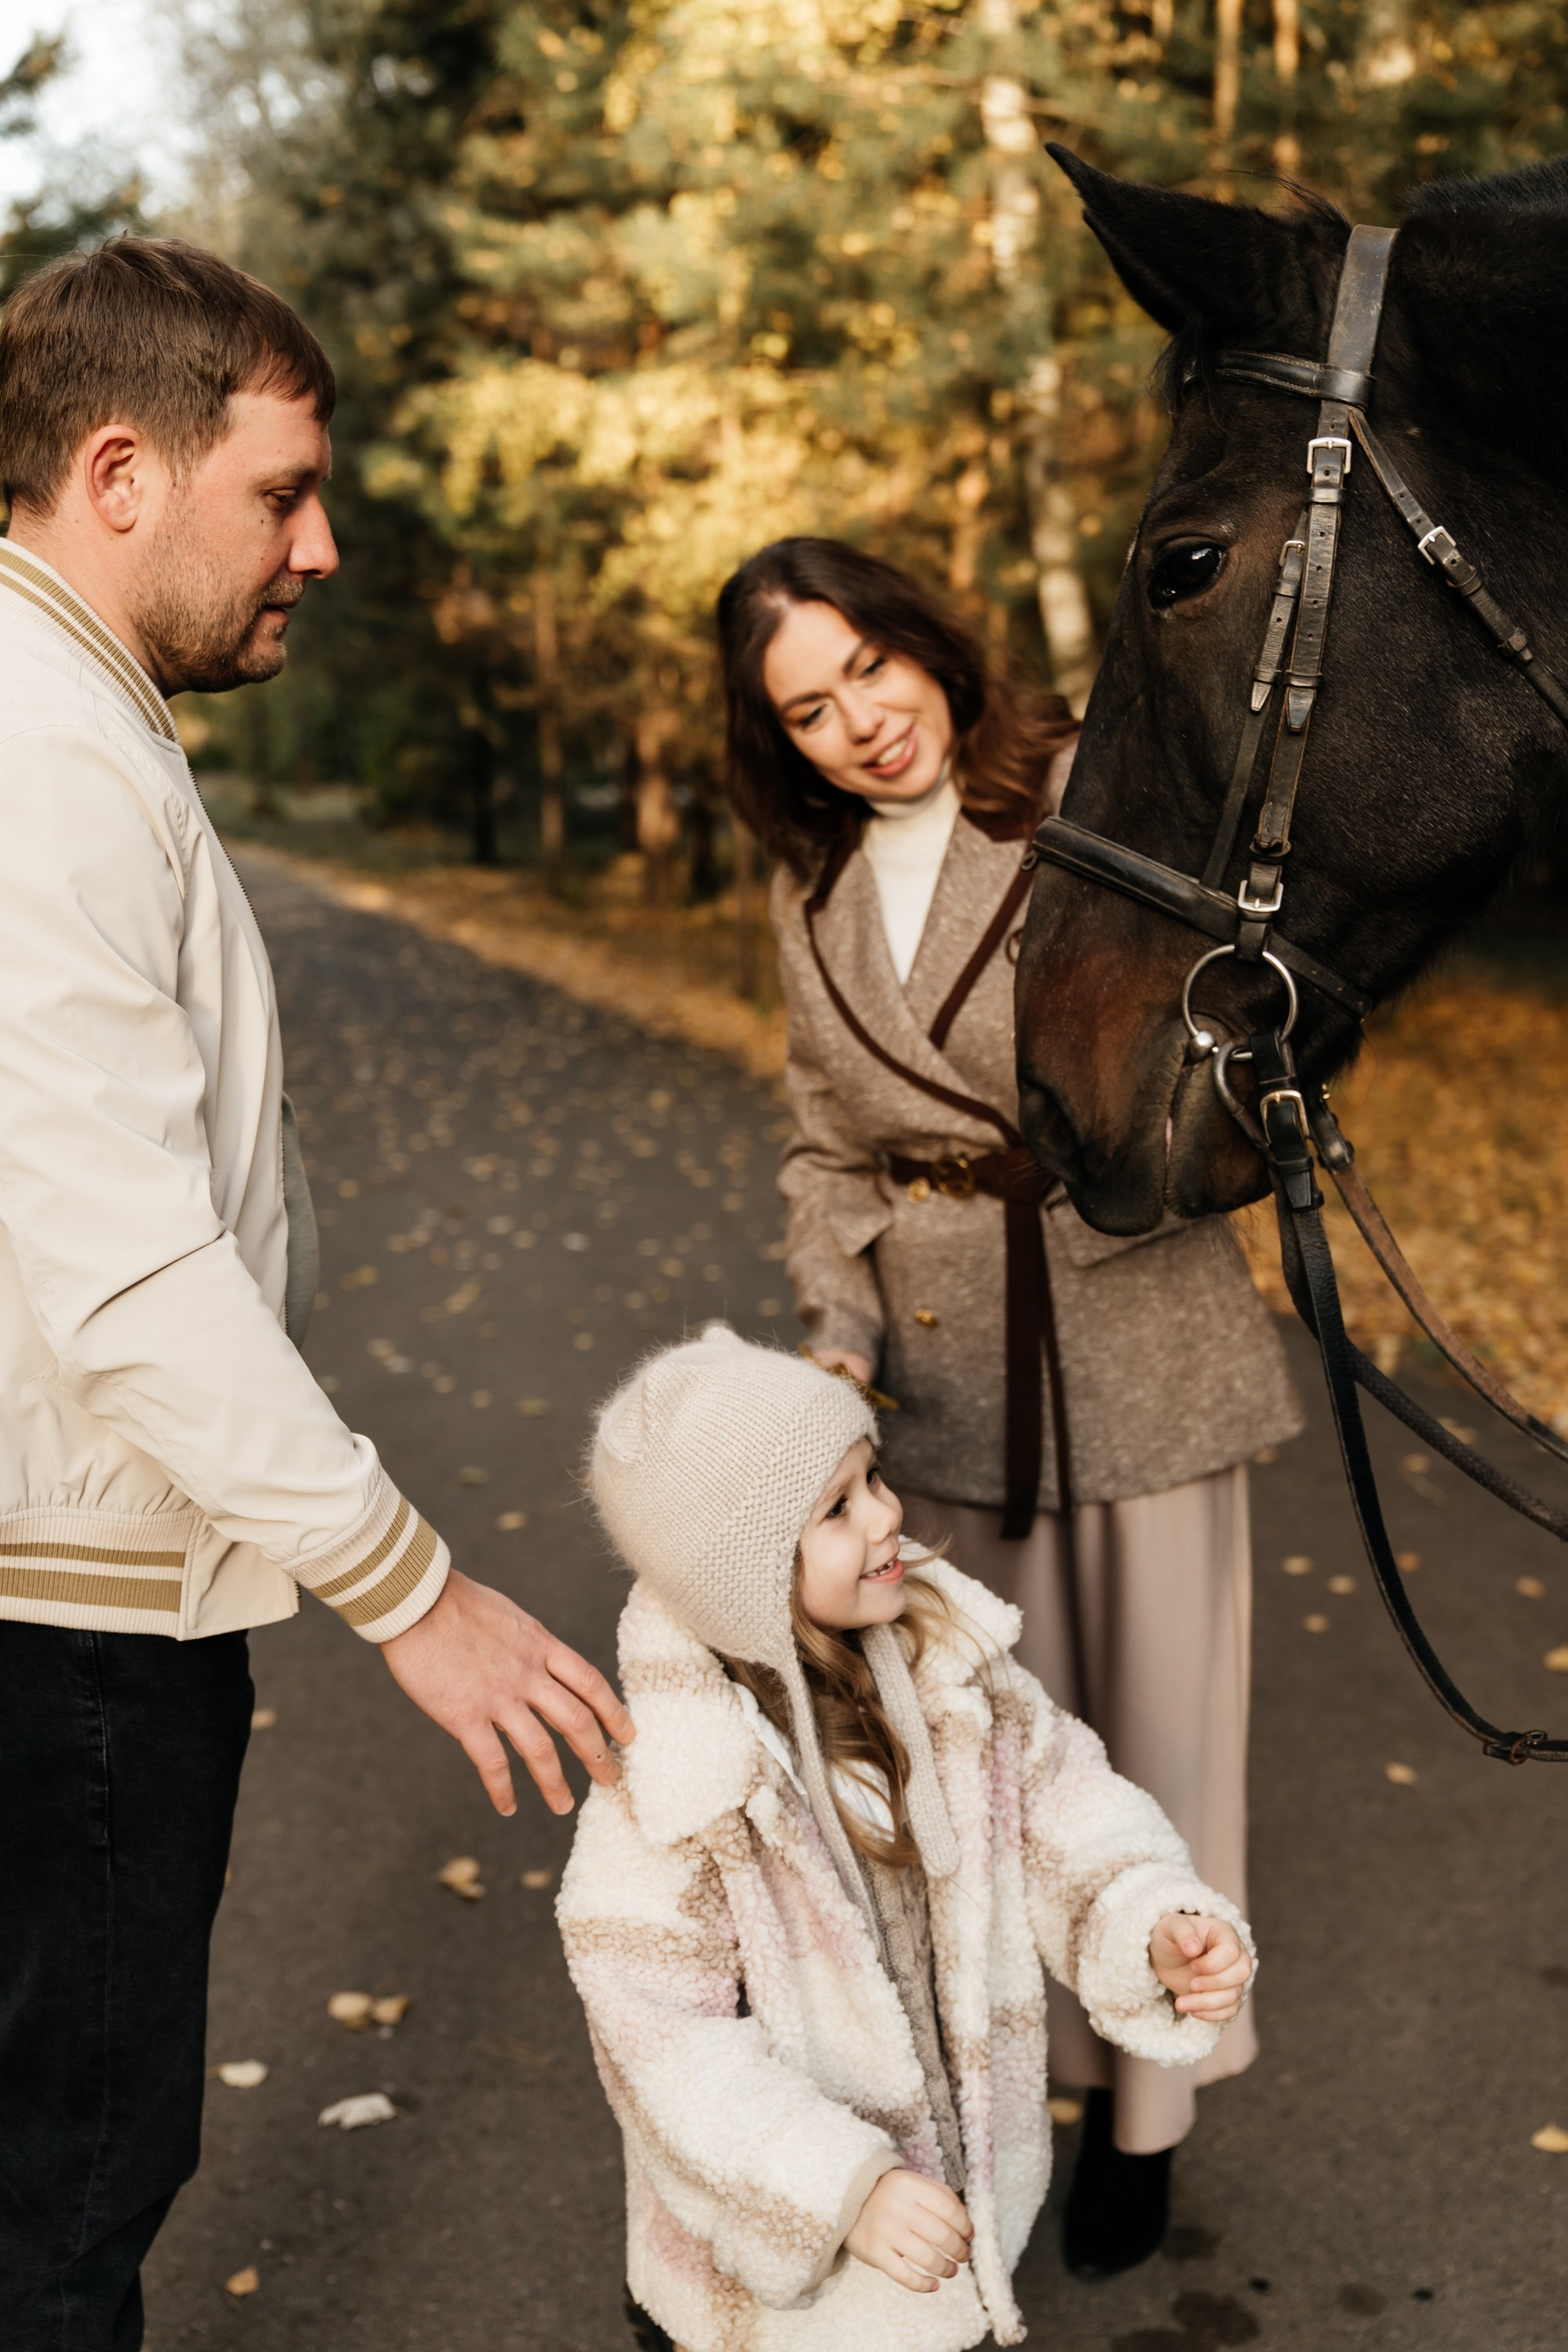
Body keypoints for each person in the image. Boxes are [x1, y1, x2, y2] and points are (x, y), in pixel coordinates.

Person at [0, 238, 633, 2352]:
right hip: (63, 1642)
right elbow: (132, 1268)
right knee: (60, 2207)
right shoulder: (44, 755)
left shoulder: (65, 713)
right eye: (281, 494)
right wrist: (413, 1592)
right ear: (120, 472)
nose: (323, 546)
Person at [715, 537, 1301, 2275]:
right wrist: (834, 1333)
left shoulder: (1080, 794)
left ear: (923, 642)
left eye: (867, 670)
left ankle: (1149, 2115)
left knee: (1159, 1756)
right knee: (979, 1783)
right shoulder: (807, 891)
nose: (856, 725)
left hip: (1138, 1336)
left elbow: (1221, 1025)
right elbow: (830, 1141)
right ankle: (1001, 2095)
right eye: (807, 712)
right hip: (935, 1390)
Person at [561, 1327, 1254, 2352]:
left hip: (941, 2234)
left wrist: (1146, 1917)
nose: (888, 1514)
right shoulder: (673, 1791)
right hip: (763, 2289)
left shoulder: (949, 1668)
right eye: (838, 1508)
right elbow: (664, 2042)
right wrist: (839, 2186)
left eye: (873, 1477)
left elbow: (1065, 1805)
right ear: (738, 1573)